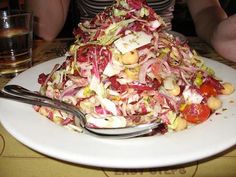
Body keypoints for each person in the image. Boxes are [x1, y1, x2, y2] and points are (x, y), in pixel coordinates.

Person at [25, 0, 236, 62]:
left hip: (164, 57)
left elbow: (205, 9)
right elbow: (46, 28)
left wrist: (218, 32)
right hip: (91, 58)